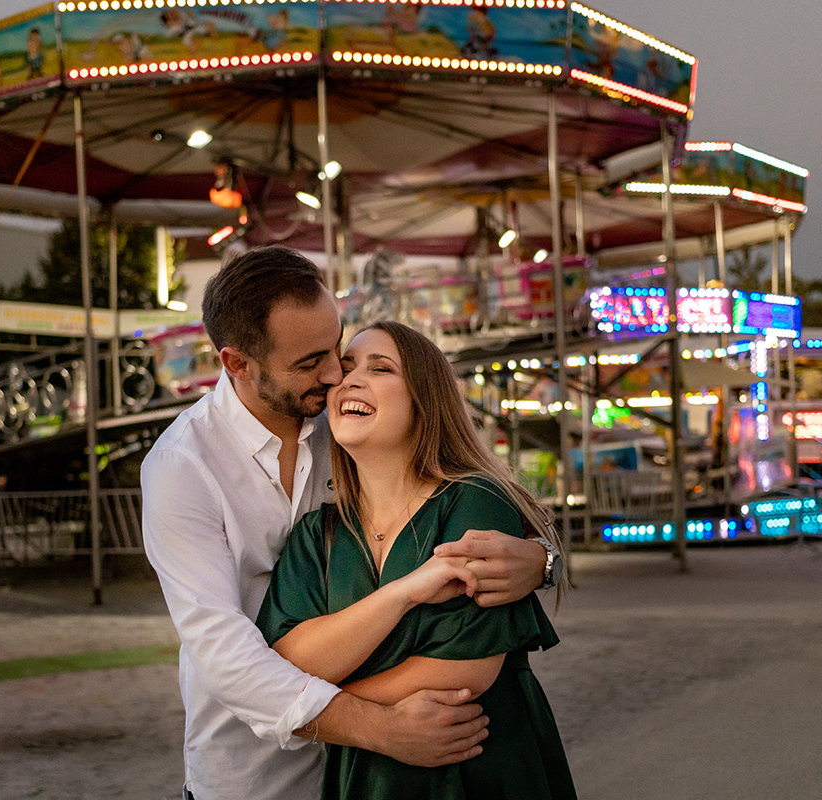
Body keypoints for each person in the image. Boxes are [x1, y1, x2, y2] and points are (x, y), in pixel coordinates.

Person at [142, 247, 551, 800]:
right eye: (311, 362)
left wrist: (542, 560)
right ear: (237, 363)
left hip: (387, 769)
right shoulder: (182, 469)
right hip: (256, 776)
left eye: (336, 347)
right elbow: (228, 657)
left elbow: (460, 485)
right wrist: (381, 727)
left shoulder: (345, 430)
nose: (335, 374)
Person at [257, 321, 576, 799]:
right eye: (345, 369)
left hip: (477, 767)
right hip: (367, 777)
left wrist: (311, 708)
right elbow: (288, 659)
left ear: (425, 400)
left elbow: (461, 671)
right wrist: (405, 592)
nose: (350, 379)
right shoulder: (315, 535)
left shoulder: (474, 500)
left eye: (380, 368)